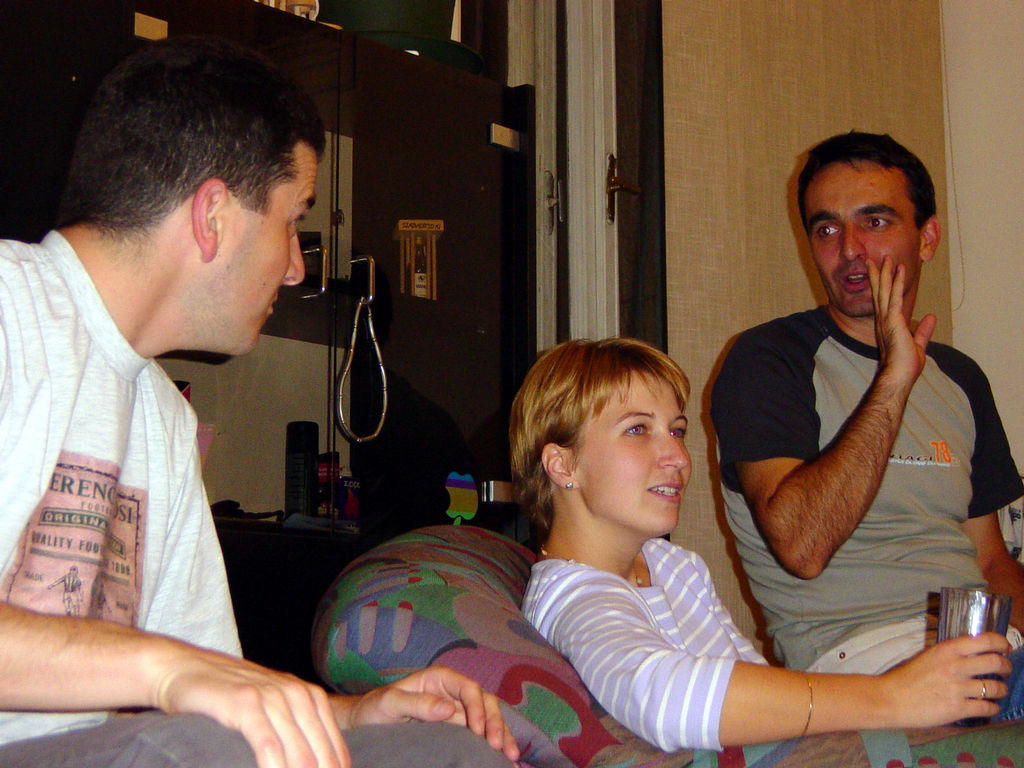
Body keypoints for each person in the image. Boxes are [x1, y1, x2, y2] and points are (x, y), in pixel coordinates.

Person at [0, 35, 518, 768]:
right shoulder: (10, 309)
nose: (299, 266)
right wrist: (166, 670)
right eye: (294, 219)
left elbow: (212, 685)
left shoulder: (160, 419)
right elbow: (182, 684)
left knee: (444, 756)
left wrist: (353, 715)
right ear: (213, 216)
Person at [513, 337, 1014, 752]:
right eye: (638, 429)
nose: (678, 457)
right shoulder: (572, 593)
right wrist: (893, 697)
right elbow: (663, 696)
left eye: (677, 430)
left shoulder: (672, 566)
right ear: (562, 464)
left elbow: (753, 682)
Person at [709, 132, 1024, 688]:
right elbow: (803, 547)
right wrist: (894, 379)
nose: (850, 248)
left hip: (987, 654)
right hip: (859, 664)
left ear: (927, 238)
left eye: (874, 221)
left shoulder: (960, 378)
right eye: (827, 228)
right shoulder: (768, 359)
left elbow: (992, 561)